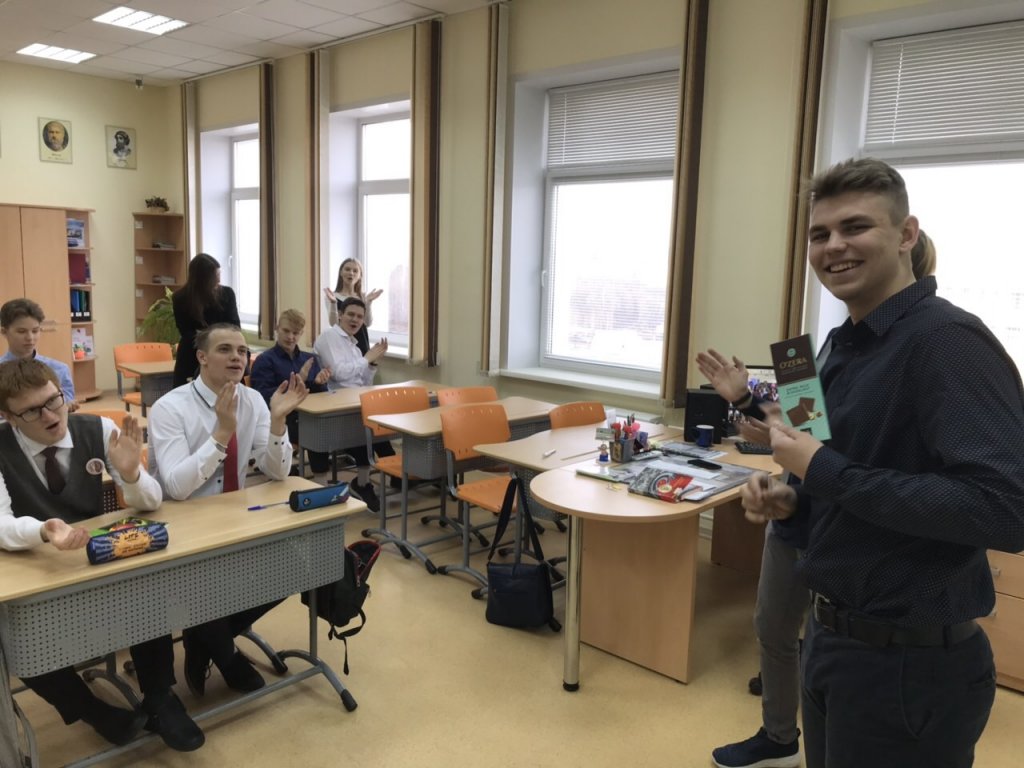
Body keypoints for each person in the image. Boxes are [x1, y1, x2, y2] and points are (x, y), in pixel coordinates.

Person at [742, 158, 1024, 768]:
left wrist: (823, 469)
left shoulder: (946, 341)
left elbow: (1006, 510)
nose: (833, 246)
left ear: (905, 234)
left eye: (855, 227)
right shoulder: (845, 345)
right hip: (833, 640)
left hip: (908, 667)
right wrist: (793, 501)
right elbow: (849, 476)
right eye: (820, 234)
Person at [703, 228, 940, 768]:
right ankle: (779, 736)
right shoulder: (823, 345)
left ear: (906, 258)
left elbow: (845, 454)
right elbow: (803, 430)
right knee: (773, 628)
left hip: (855, 533)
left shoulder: (930, 344)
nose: (838, 256)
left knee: (830, 645)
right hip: (797, 512)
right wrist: (744, 400)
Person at [0, 358, 203, 752]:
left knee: (147, 589)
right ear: (8, 417)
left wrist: (131, 475)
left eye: (54, 401)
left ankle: (160, 698)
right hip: (33, 568)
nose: (50, 416)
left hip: (97, 559)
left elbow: (151, 502)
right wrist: (42, 531)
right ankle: (92, 711)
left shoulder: (98, 429)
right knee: (22, 640)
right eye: (32, 411)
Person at [148, 323, 308, 697]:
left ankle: (203, 638)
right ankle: (226, 654)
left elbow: (277, 472)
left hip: (234, 519)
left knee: (297, 566)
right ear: (202, 357)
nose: (237, 357)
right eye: (225, 350)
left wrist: (279, 422)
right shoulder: (170, 408)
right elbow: (177, 487)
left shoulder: (252, 401)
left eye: (242, 351)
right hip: (181, 525)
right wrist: (221, 434)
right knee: (202, 585)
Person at [313, 298, 388, 511]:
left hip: (354, 400)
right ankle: (360, 482)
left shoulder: (353, 344)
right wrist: (366, 358)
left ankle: (364, 482)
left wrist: (372, 364)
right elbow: (339, 373)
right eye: (351, 315)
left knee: (378, 427)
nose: (355, 320)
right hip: (332, 404)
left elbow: (364, 382)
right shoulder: (329, 336)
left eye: (360, 317)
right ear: (340, 315)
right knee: (367, 429)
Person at [250, 309, 333, 484]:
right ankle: (321, 481)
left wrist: (317, 383)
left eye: (296, 333)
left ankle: (322, 480)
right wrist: (298, 381)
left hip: (308, 416)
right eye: (286, 331)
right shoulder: (265, 360)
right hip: (281, 418)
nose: (290, 337)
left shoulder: (310, 358)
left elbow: (322, 397)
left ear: (301, 334)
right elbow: (263, 397)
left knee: (322, 423)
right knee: (315, 429)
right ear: (277, 328)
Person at [171, 253, 240, 386]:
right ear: (202, 280)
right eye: (215, 277)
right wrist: (212, 340)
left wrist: (218, 342)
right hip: (192, 354)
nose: (218, 281)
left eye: (219, 275)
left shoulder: (227, 294)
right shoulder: (180, 298)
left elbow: (234, 326)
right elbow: (186, 332)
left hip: (223, 351)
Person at [1, 298, 78, 412]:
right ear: (4, 332)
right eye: (21, 331)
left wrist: (68, 406)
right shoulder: (1, 370)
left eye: (35, 331)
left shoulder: (59, 369)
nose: (30, 338)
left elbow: (66, 406)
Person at [323, 258, 382, 354]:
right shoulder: (332, 296)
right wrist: (333, 303)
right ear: (341, 272)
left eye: (355, 271)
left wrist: (368, 302)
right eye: (347, 269)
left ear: (360, 276)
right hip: (341, 344)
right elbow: (334, 324)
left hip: (361, 343)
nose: (351, 273)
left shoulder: (363, 297)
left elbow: (367, 323)